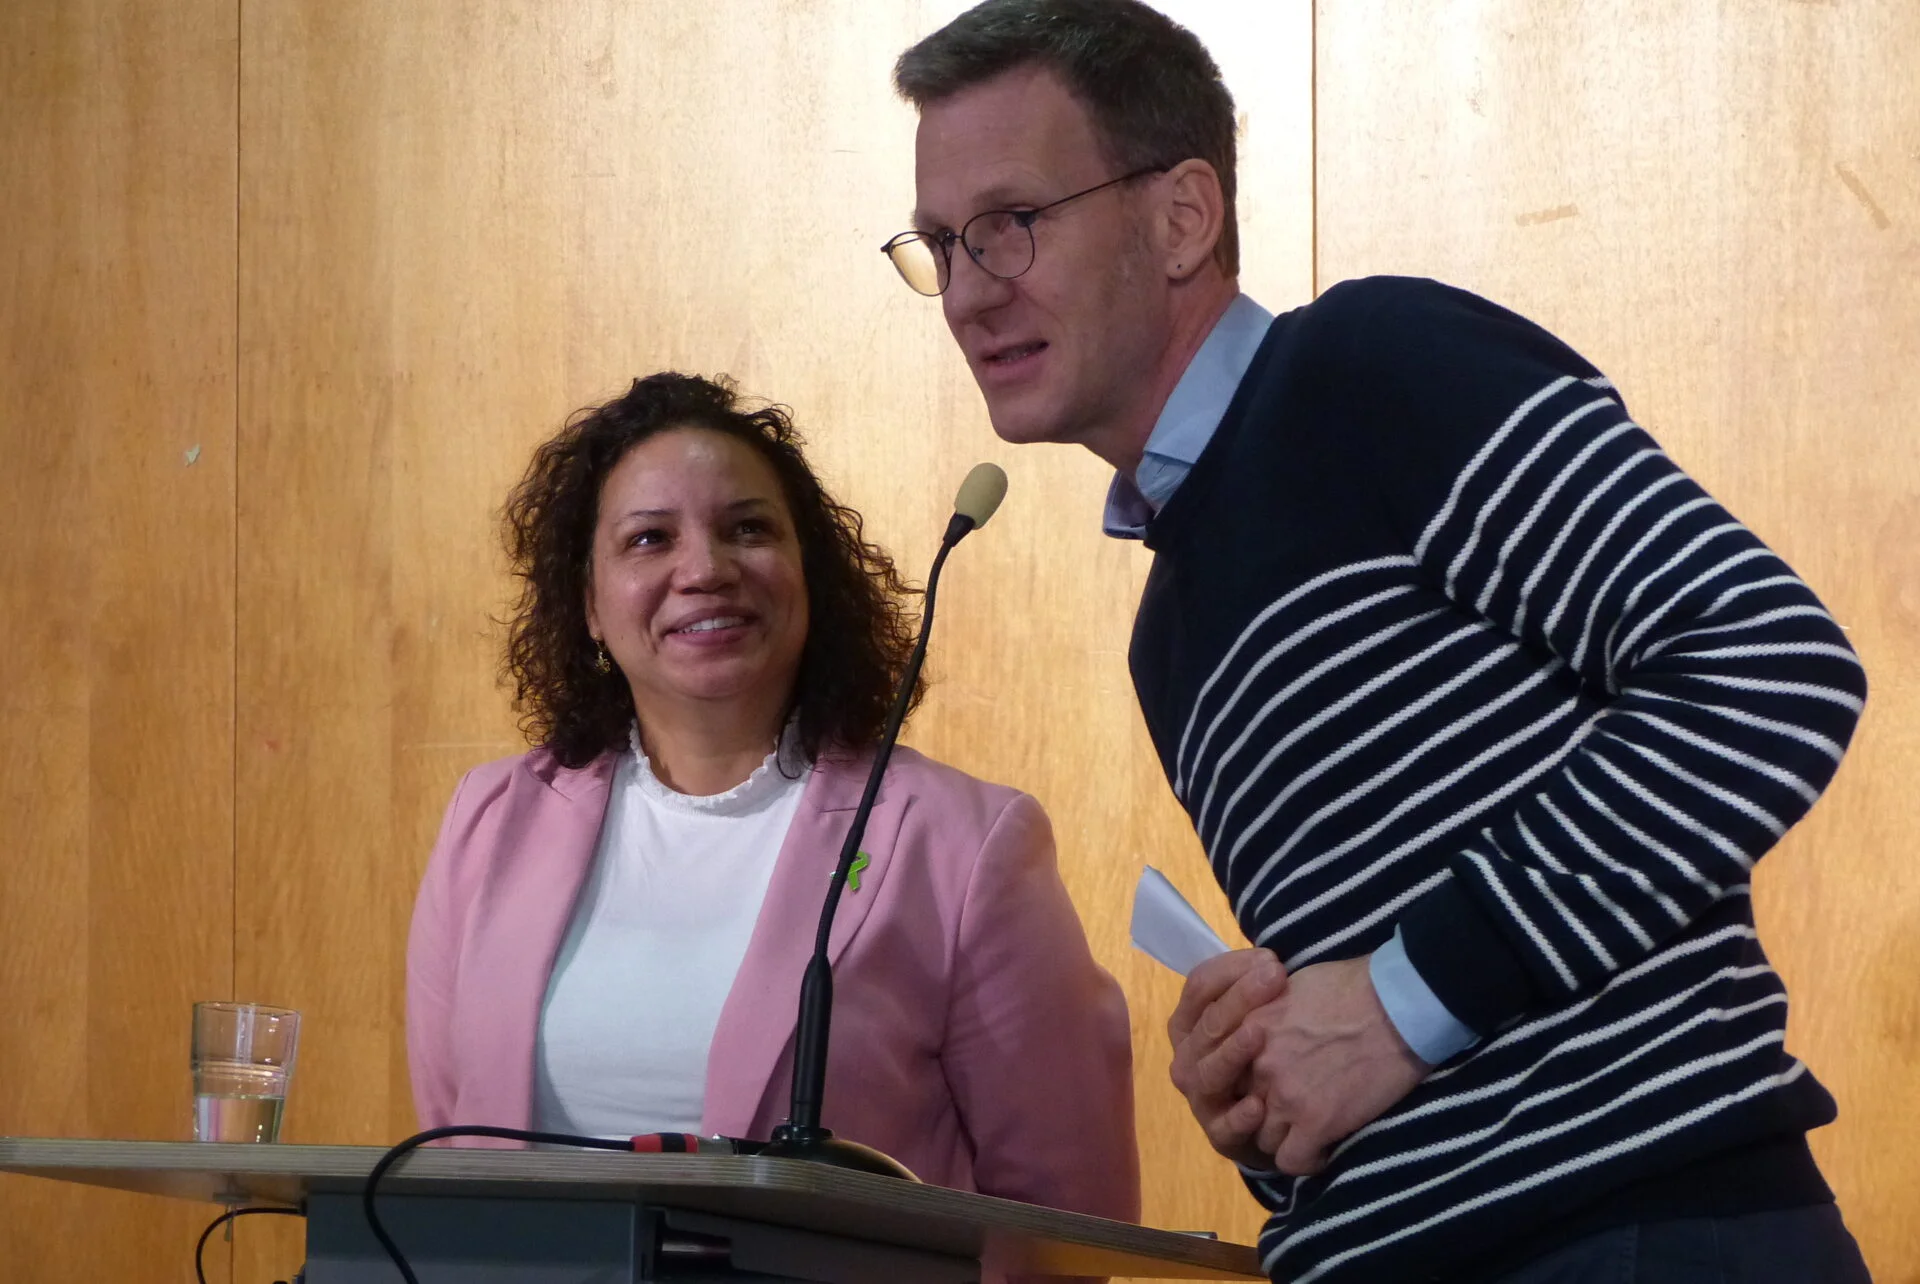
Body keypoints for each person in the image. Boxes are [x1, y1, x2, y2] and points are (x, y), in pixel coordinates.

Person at [887, 3, 1872, 1282]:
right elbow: (1386, 1037)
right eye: (941, 245)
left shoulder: (1367, 366)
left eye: (1012, 222)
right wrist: (1261, 1091)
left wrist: (1403, 1001)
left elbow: (1767, 663)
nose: (969, 291)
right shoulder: (1167, 628)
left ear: (1183, 217)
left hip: (1631, 1233)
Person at [404, 372, 1140, 1240]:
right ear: (590, 605)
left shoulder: (962, 845)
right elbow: (451, 1146)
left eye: (748, 529)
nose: (705, 570)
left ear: (807, 573)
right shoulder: (491, 821)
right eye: (649, 538)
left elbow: (1064, 1215)